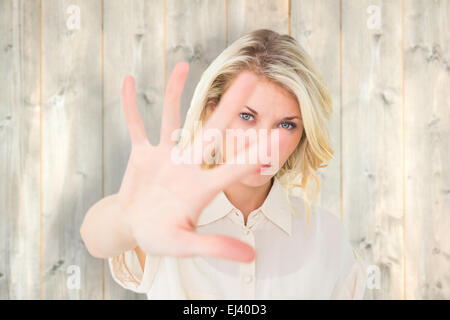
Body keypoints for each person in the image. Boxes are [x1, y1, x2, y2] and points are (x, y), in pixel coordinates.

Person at [80, 29, 367, 299]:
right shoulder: (166, 214)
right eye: (247, 116)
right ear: (212, 111)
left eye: (285, 124)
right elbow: (95, 237)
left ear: (303, 133)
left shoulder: (326, 235)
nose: (262, 144)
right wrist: (130, 220)